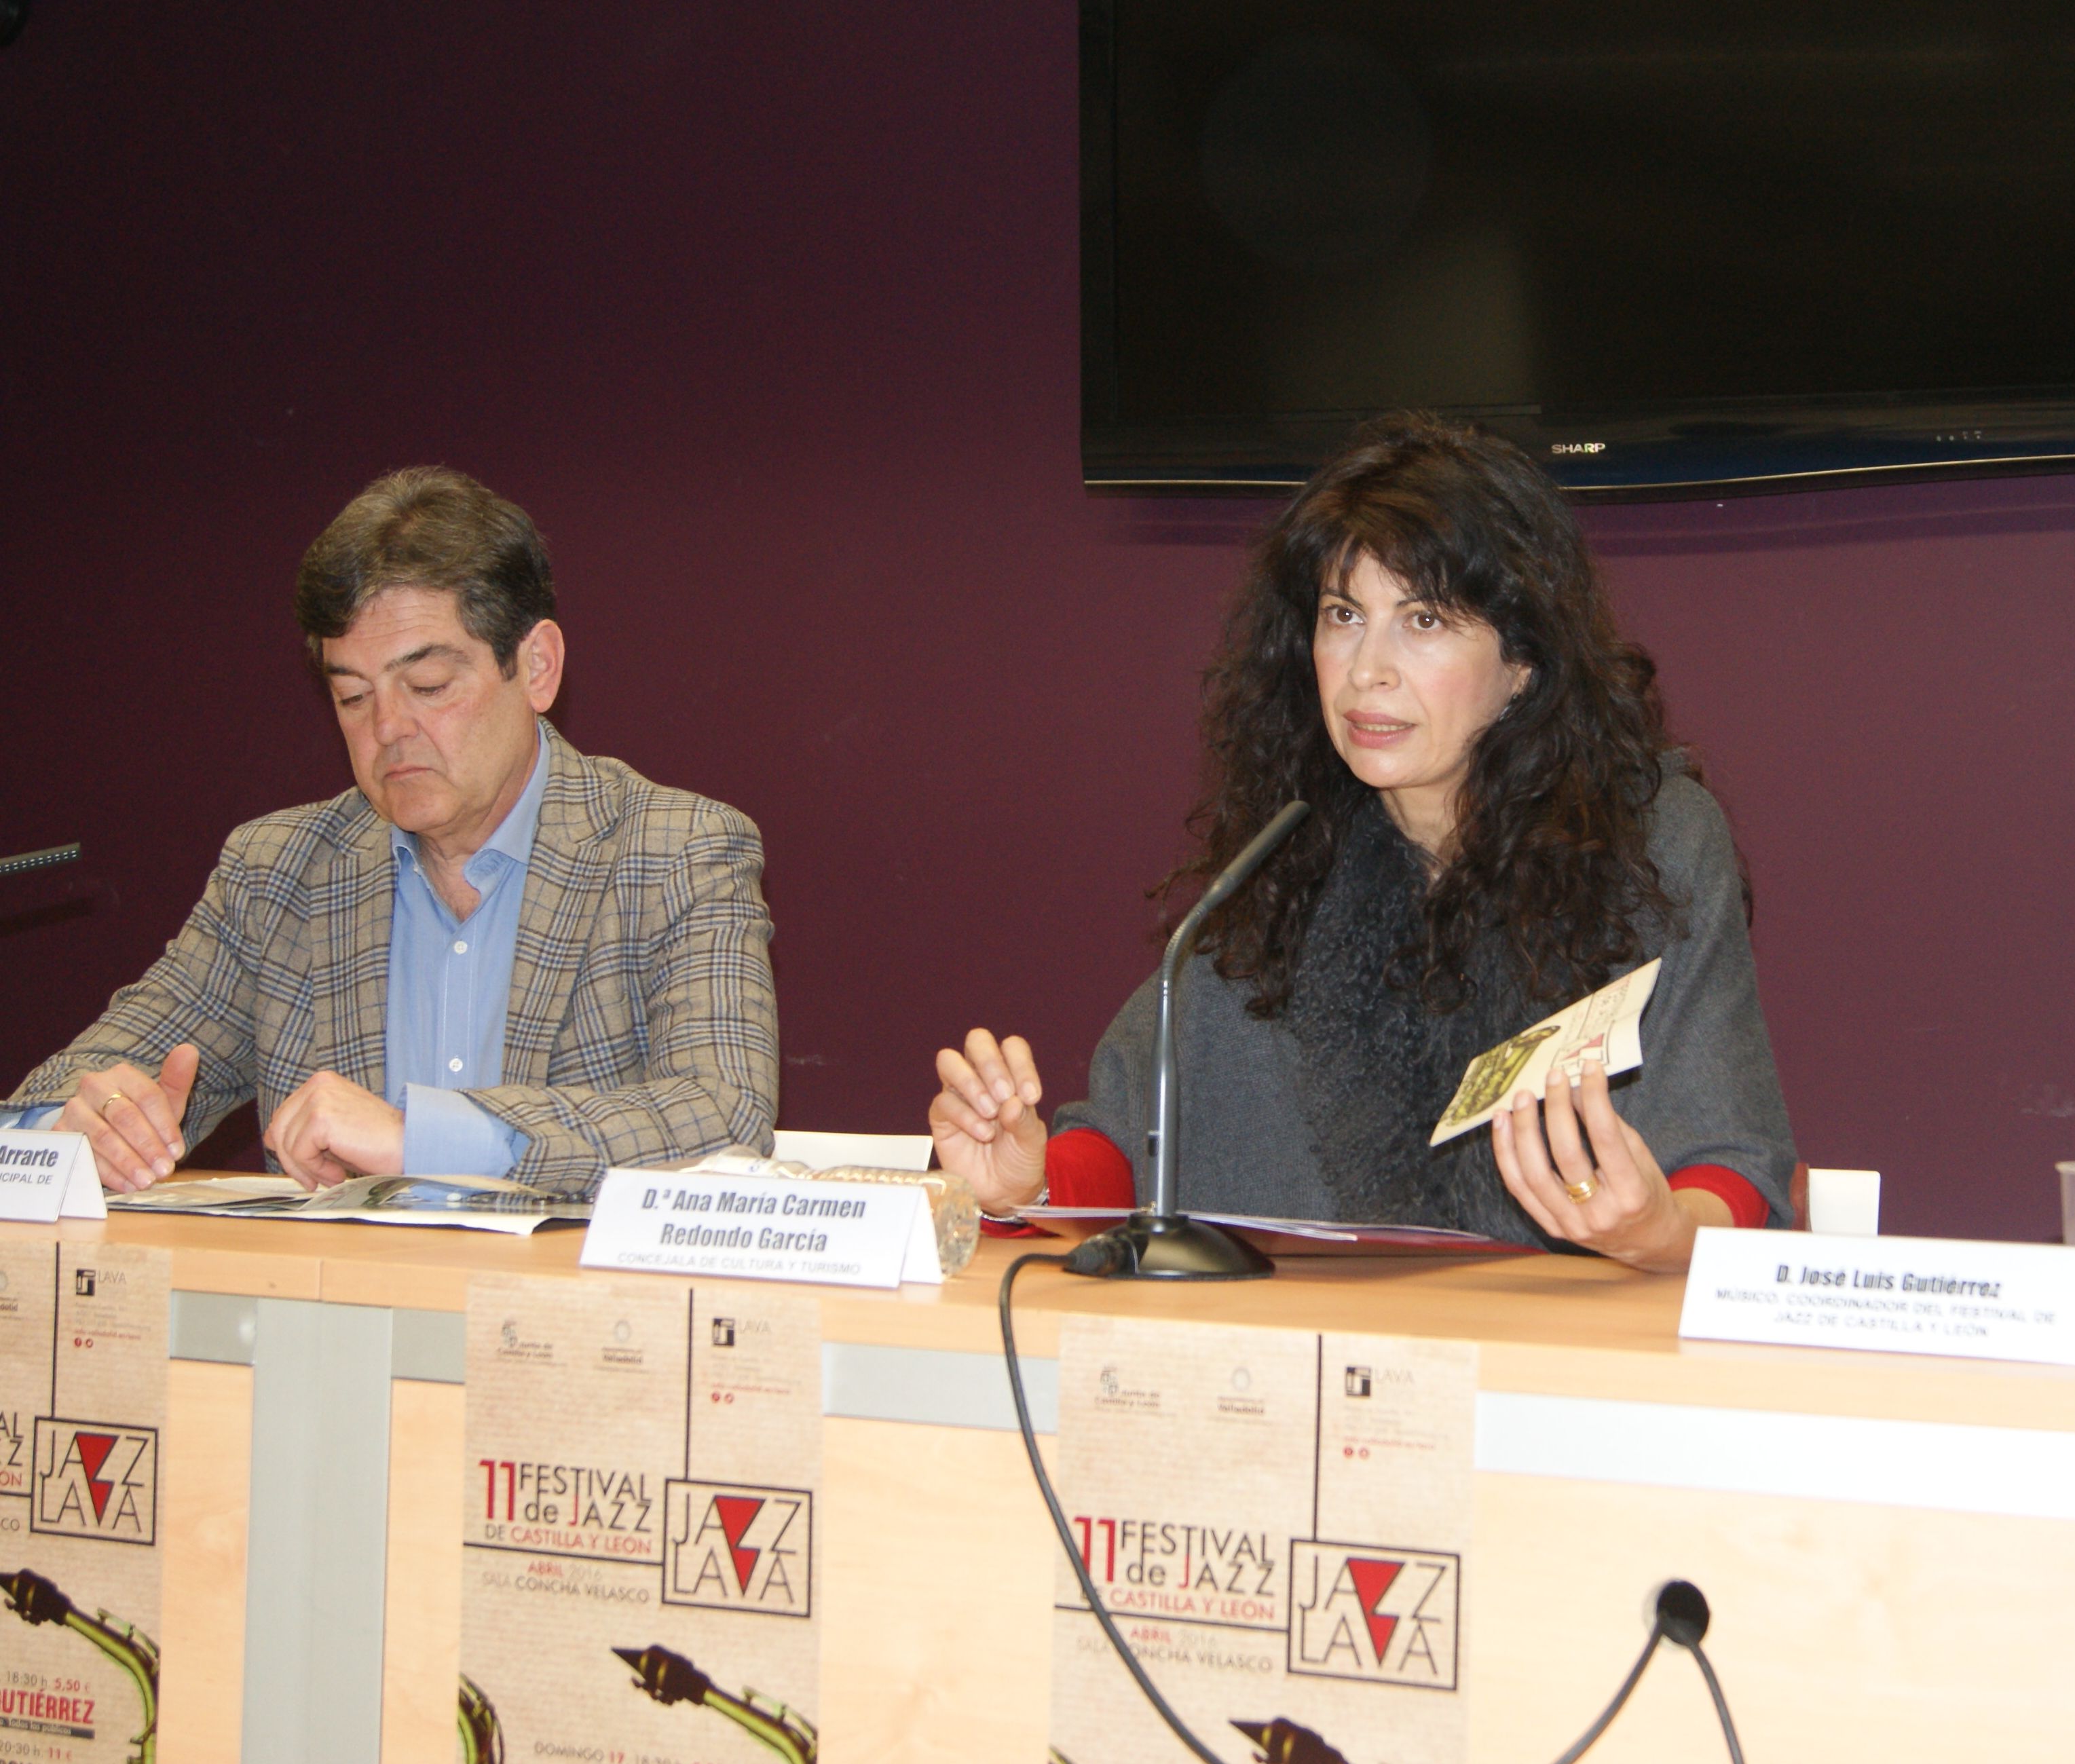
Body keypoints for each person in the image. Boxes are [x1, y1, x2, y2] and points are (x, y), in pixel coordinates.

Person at [928, 413, 1795, 1270]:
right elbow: (1122, 1142)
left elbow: (1732, 1167)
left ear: (1523, 662)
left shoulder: (1647, 841)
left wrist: (1655, 1232)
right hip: (1297, 1345)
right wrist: (1024, 1185)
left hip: (1561, 1349)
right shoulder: (1287, 853)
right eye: (1343, 614)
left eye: (1424, 621)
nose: (1366, 669)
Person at [4, 468, 779, 1198]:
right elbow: (67, 1090)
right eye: (352, 696)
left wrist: (422, 1139)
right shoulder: (278, 873)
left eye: (428, 685)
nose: (387, 728)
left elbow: (723, 1113)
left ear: (537, 666)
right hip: (335, 1296)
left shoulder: (674, 849)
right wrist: (86, 1124)